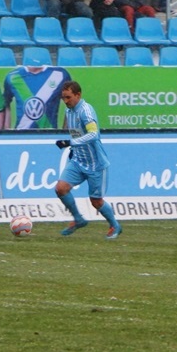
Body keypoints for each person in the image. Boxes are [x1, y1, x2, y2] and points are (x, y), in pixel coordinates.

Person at [54, 80, 122, 240]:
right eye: (63, 98)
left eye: (68, 97)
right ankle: (78, 219)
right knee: (60, 188)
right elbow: (77, 133)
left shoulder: (86, 111)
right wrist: (73, 148)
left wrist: (71, 142)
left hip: (96, 164)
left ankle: (115, 225)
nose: (65, 101)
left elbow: (93, 134)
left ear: (78, 95)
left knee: (96, 201)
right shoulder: (69, 111)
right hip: (78, 161)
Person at [2, 64, 72, 129]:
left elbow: (72, 103)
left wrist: (65, 132)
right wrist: (7, 130)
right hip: (21, 136)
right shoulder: (13, 76)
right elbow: (5, 103)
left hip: (50, 136)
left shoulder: (60, 74)